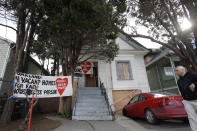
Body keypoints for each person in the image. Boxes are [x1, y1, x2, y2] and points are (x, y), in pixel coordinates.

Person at [175, 66, 197, 131]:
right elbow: (181, 91)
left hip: (196, 99)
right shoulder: (179, 81)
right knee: (191, 117)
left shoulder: (192, 75)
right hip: (187, 101)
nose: (175, 72)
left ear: (182, 70)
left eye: (177, 70)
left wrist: (195, 85)